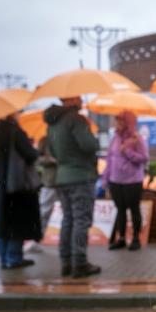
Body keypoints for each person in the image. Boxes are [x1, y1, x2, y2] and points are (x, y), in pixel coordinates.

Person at [45, 97, 101, 278]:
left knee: (68, 220)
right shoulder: (76, 119)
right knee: (80, 221)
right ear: (70, 99)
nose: (81, 99)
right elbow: (89, 145)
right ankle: (80, 263)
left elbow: (53, 152)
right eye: (78, 96)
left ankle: (66, 262)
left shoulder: (53, 123)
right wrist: (91, 136)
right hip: (81, 177)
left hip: (62, 177)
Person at [0, 113, 42, 269]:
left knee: (2, 222)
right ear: (11, 115)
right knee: (17, 223)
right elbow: (30, 155)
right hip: (17, 184)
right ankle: (14, 258)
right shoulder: (16, 133)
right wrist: (33, 147)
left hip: (0, 182)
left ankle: (4, 258)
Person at [102, 111, 149, 251]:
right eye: (117, 120)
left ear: (129, 122)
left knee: (134, 209)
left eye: (122, 120)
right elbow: (109, 159)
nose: (118, 123)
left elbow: (144, 158)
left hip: (132, 181)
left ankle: (136, 238)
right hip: (115, 180)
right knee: (120, 210)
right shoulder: (115, 138)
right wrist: (105, 178)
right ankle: (121, 238)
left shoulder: (137, 138)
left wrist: (127, 151)